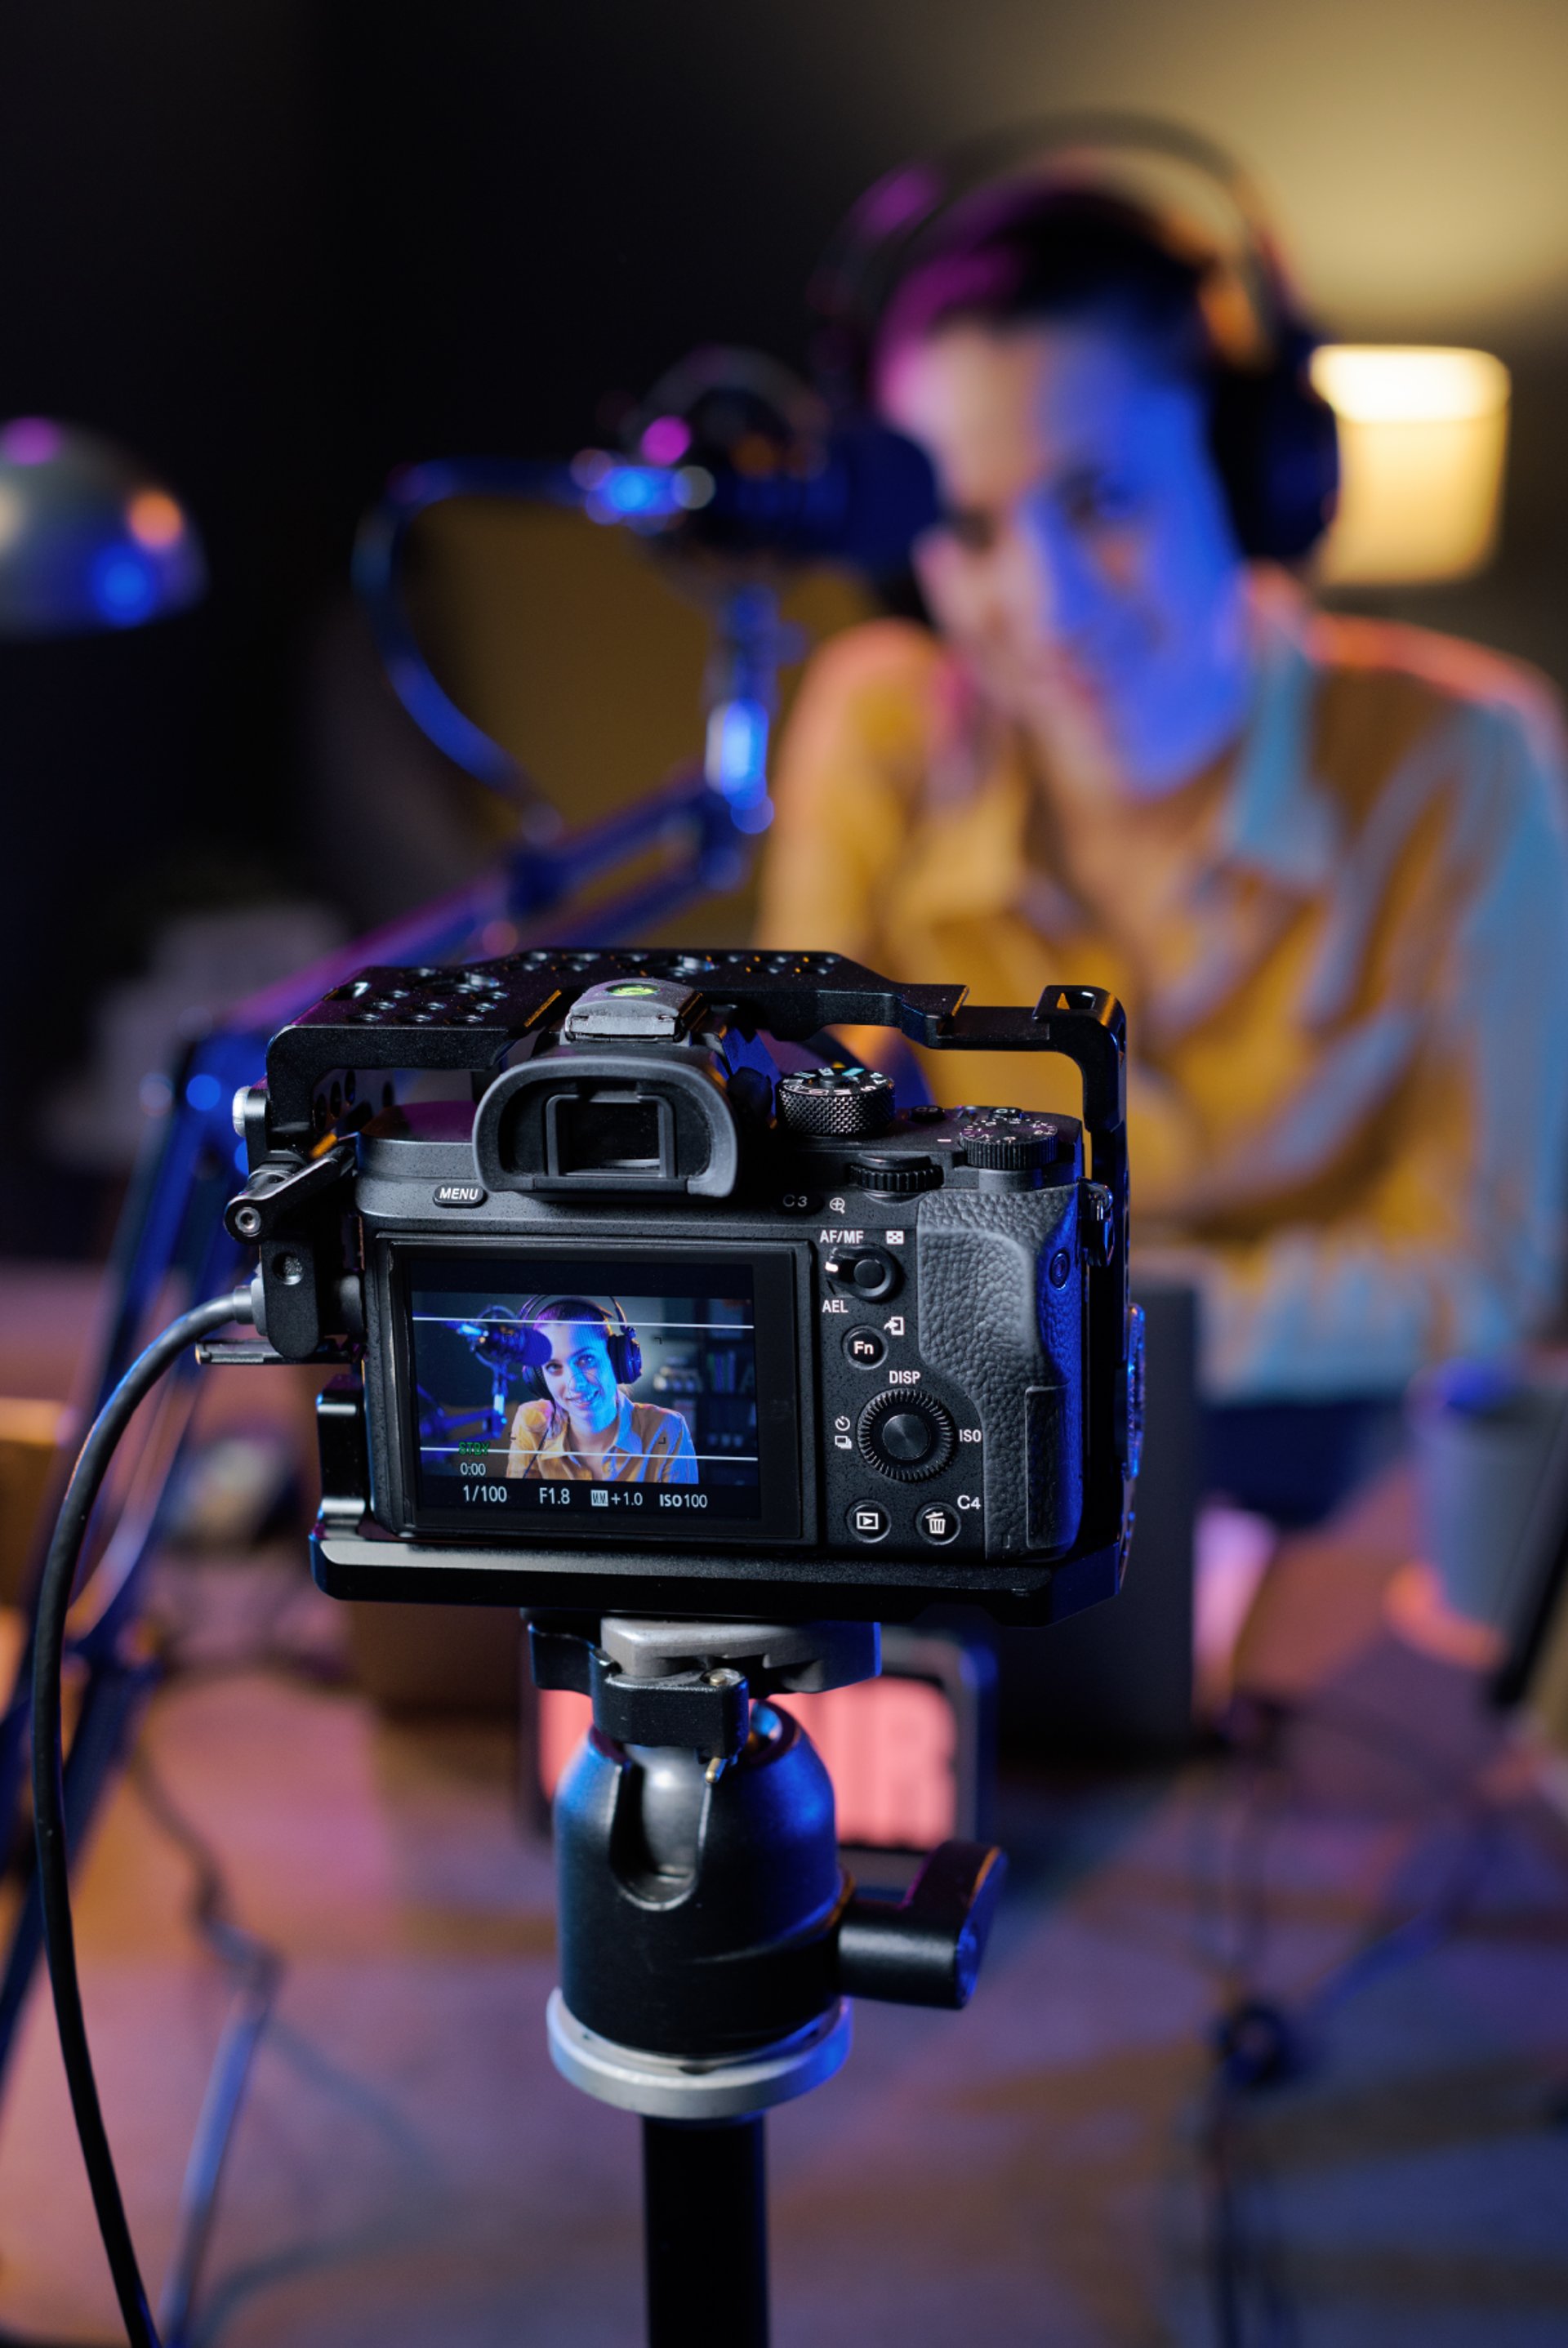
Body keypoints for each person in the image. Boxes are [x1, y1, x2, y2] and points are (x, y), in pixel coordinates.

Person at [759, 173, 1568, 1520]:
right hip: (974, 1435)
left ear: (1250, 478)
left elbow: (1476, 1274)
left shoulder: (1468, 756)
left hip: (1344, 1472)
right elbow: (799, 1178)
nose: (1042, 603)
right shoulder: (883, 721)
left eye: (1101, 499)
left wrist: (1077, 1315)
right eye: (967, 528)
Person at [504, 1299, 697, 1484]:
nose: (575, 1384)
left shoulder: (668, 1429)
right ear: (538, 1378)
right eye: (554, 1366)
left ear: (617, 1359)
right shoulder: (531, 1422)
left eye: (586, 1359)